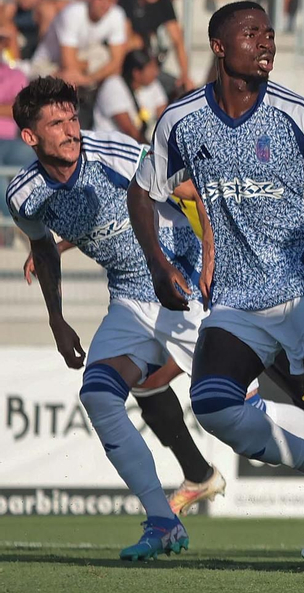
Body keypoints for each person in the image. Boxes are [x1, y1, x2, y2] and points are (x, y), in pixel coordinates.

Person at [128, 2, 304, 554]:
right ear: (219, 46)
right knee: (213, 404)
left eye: (269, 33)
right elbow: (142, 192)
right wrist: (158, 263)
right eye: (250, 34)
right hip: (237, 298)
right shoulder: (180, 119)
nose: (265, 43)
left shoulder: (297, 111)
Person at [7, 77, 217, 560]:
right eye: (55, 122)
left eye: (72, 118)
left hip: (184, 283)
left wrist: (209, 259)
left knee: (240, 414)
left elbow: (193, 187)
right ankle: (163, 521)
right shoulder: (24, 196)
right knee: (100, 394)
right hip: (129, 298)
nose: (70, 129)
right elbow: (42, 245)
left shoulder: (115, 151)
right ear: (30, 137)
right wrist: (57, 320)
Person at [34, 0, 131, 90]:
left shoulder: (117, 14)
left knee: (109, 64)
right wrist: (88, 72)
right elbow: (69, 65)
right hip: (48, 64)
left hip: (81, 59)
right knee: (67, 77)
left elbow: (116, 62)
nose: (104, 5)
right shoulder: (72, 13)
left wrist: (89, 79)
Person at [118, 0, 190, 91]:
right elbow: (126, 42)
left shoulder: (164, 2)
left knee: (181, 90)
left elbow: (177, 40)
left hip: (150, 67)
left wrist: (185, 75)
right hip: (127, 67)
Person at [93, 48, 165, 139]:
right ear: (137, 73)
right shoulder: (113, 86)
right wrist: (151, 151)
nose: (156, 72)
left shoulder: (153, 84)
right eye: (151, 68)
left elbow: (164, 119)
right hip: (110, 147)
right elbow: (130, 131)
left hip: (139, 146)